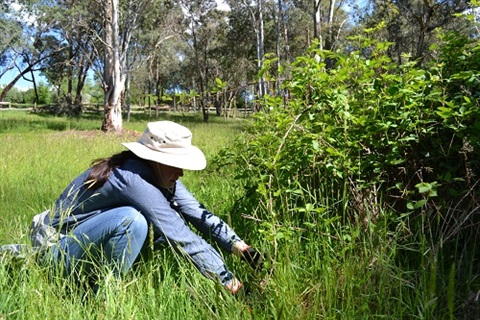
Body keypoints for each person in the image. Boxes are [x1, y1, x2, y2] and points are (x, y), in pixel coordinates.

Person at [40, 120, 261, 294]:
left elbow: (199, 213)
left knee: (159, 228)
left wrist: (247, 252)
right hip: (57, 252)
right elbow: (180, 234)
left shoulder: (160, 175)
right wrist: (231, 284)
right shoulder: (132, 179)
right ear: (155, 159)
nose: (182, 172)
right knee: (133, 220)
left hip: (85, 245)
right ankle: (103, 295)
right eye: (177, 164)